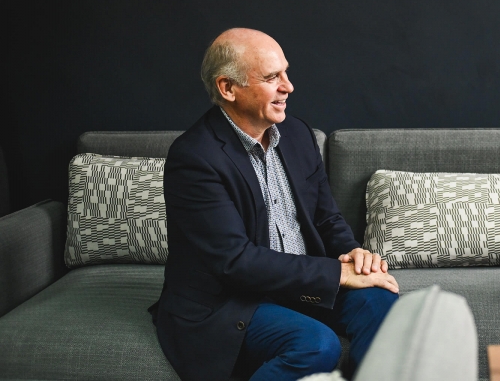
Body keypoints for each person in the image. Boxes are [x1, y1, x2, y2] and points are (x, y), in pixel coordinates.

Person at [153, 28, 399, 381]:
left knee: (386, 307)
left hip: (303, 284)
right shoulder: (194, 158)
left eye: (285, 72)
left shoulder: (297, 134)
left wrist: (353, 254)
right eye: (272, 77)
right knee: (316, 344)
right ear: (228, 88)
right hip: (233, 300)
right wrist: (335, 274)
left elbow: (326, 218)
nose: (289, 86)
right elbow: (234, 261)